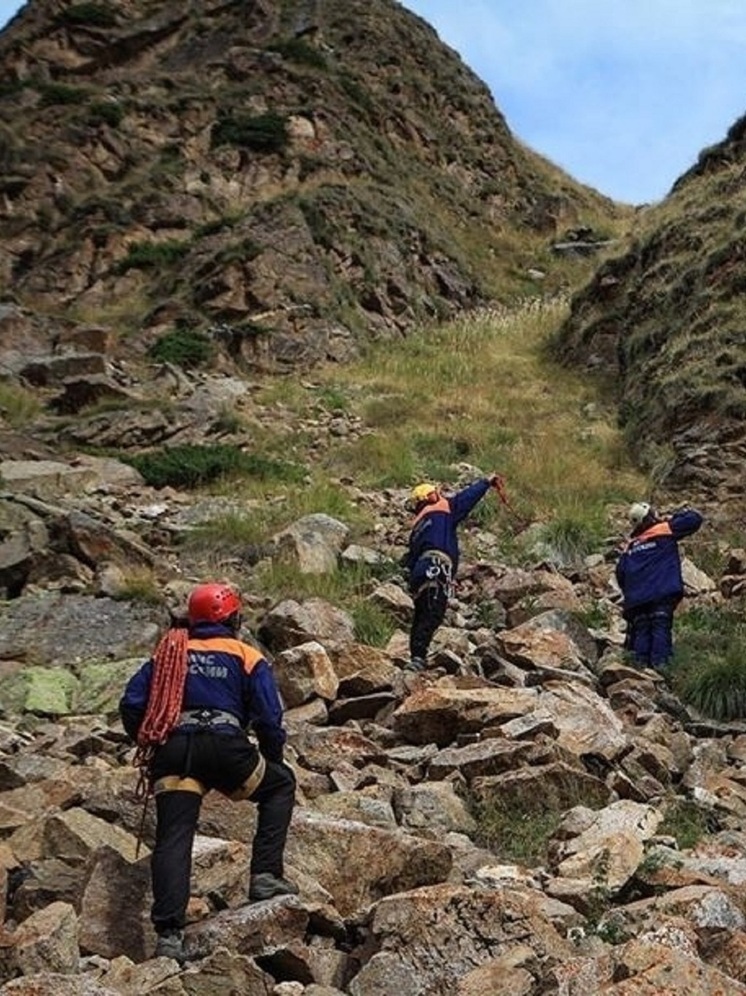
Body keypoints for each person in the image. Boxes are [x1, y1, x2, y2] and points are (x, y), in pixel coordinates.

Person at [119, 582, 297, 964]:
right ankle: (265, 876)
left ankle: (169, 935)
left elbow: (132, 704)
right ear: (232, 618)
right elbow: (269, 718)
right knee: (280, 786)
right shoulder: (246, 656)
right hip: (225, 748)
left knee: (174, 837)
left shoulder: (168, 653)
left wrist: (150, 741)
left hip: (176, 750)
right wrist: (272, 758)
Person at [404, 474, 503, 671]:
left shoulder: (418, 526)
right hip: (438, 566)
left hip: (421, 570)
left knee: (422, 611)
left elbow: (410, 558)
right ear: (433, 496)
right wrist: (486, 482)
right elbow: (467, 498)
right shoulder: (444, 509)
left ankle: (416, 654)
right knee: (433, 612)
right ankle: (418, 658)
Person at [615, 501, 703, 670]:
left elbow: (620, 574)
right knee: (660, 626)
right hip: (661, 594)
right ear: (650, 516)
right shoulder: (664, 529)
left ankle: (638, 672)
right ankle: (661, 671)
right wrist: (674, 516)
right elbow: (695, 518)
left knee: (641, 630)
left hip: (637, 601)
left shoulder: (630, 546)